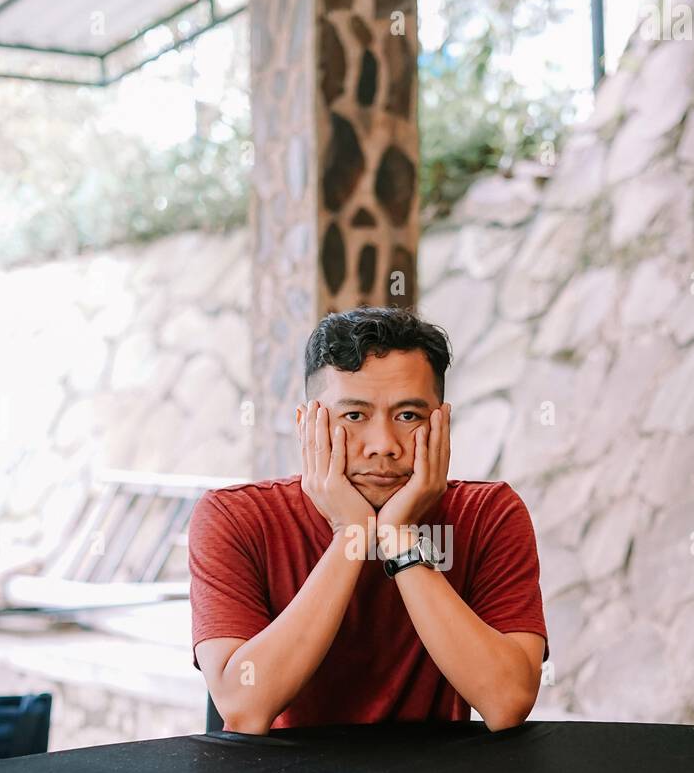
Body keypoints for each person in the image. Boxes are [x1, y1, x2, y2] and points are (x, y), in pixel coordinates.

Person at [188, 306, 549, 733]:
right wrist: (353, 535)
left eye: (408, 416)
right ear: (307, 426)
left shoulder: (489, 514)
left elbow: (506, 701)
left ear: (442, 424)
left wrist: (399, 538)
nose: (383, 445)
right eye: (354, 416)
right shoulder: (234, 518)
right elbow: (244, 706)